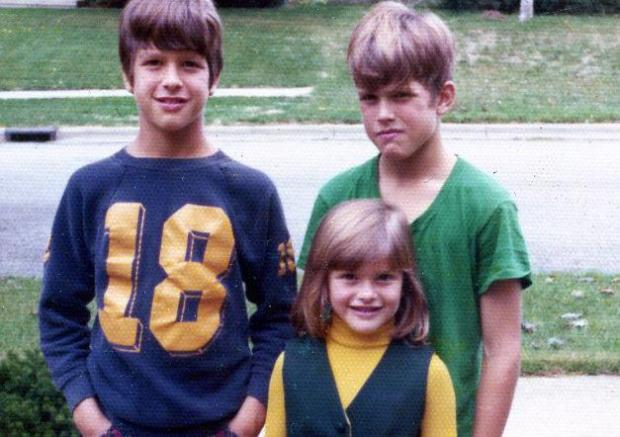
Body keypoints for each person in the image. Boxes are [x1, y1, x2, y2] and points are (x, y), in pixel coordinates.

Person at [38, 1, 296, 435]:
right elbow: (59, 313)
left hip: (222, 422)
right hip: (118, 424)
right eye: (154, 62)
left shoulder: (251, 192)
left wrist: (248, 419)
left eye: (190, 64)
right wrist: (91, 419)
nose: (171, 80)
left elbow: (282, 315)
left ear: (214, 77)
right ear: (128, 74)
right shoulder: (89, 187)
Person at [297, 3, 531, 436]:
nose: (383, 113)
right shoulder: (337, 196)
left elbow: (504, 350)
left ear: (443, 97)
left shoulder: (486, 206)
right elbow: (312, 323)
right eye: (370, 98)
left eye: (401, 96)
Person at [266, 199, 456, 436]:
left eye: (384, 277)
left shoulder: (431, 373)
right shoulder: (288, 364)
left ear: (404, 283)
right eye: (349, 277)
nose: (367, 294)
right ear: (324, 282)